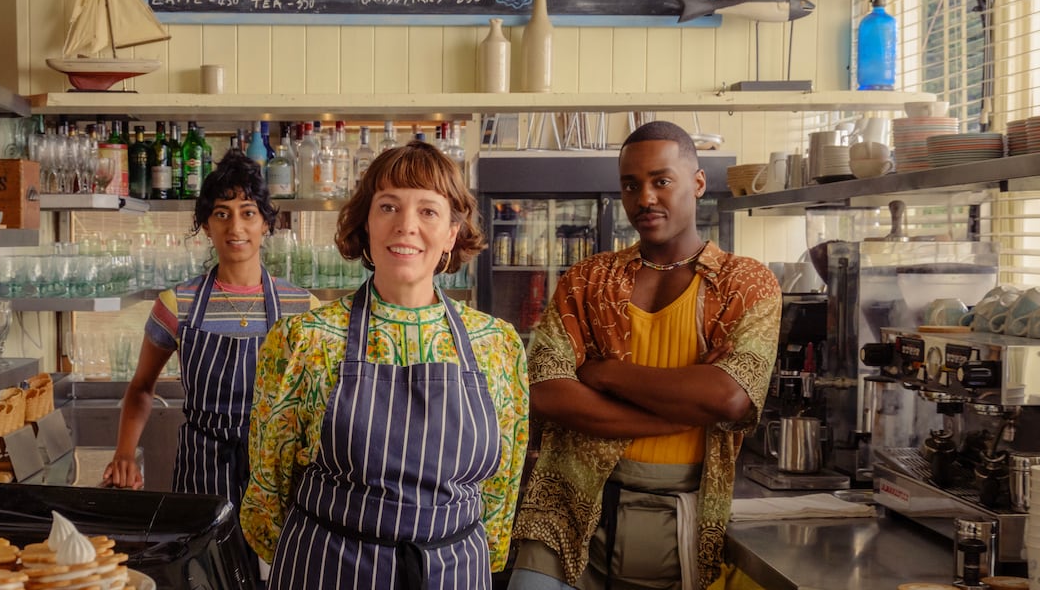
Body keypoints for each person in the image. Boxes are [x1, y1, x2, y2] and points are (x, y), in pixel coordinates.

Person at [241, 140, 530, 589]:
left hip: (452, 572)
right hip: (330, 567)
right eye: (389, 206)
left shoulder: (497, 345)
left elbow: (501, 490)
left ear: (453, 232)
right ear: (367, 223)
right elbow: (266, 491)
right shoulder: (304, 340)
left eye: (428, 211)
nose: (406, 226)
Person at [509, 121, 780, 590]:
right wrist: (685, 411)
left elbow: (729, 399)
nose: (645, 198)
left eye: (661, 181)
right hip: (565, 504)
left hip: (681, 515)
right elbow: (548, 391)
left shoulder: (745, 283)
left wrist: (605, 373)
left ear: (697, 184)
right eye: (631, 185)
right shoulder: (587, 280)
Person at [102, 149, 314, 499]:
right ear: (206, 225)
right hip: (203, 473)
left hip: (278, 473)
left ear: (266, 223)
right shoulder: (176, 305)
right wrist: (124, 453)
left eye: (248, 213)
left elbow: (320, 400)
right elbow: (141, 388)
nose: (236, 227)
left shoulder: (303, 307)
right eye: (222, 214)